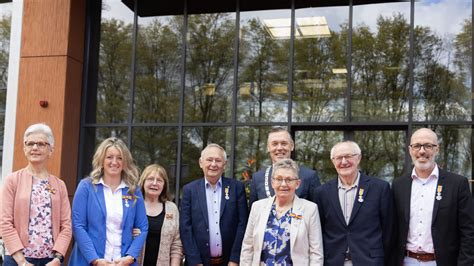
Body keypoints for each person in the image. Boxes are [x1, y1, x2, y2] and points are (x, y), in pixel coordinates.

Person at [392, 128, 474, 266]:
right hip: (406, 261)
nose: (422, 151)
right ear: (410, 150)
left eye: (428, 146)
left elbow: (468, 231)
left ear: (437, 149)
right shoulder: (398, 185)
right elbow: (392, 229)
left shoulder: (458, 184)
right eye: (417, 146)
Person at [0, 123, 72, 266]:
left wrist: (58, 258)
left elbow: (66, 226)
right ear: (24, 148)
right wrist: (22, 262)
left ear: (51, 150)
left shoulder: (59, 185)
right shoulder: (12, 180)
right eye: (30, 143)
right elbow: (5, 222)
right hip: (17, 260)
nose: (34, 148)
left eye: (41, 144)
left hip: (50, 261)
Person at [69, 137, 148, 266]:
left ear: (125, 162)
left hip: (123, 262)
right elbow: (78, 225)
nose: (114, 162)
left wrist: (130, 257)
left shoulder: (134, 190)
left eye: (120, 158)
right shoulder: (86, 187)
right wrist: (94, 259)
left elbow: (143, 227)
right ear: (101, 160)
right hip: (89, 261)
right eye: (109, 157)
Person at [315, 141, 394, 266]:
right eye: (339, 158)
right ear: (333, 161)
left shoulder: (380, 188)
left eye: (348, 156)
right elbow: (319, 232)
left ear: (359, 158)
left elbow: (389, 231)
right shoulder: (321, 193)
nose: (344, 161)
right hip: (333, 261)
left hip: (370, 262)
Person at [240, 158, 324, 265]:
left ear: (297, 183)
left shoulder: (310, 209)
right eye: (279, 179)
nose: (283, 184)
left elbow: (316, 253)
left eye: (289, 180)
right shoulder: (257, 207)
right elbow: (248, 247)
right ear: (272, 182)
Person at [180, 143, 248, 266]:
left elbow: (243, 224)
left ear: (225, 165)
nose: (213, 164)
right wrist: (195, 261)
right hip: (199, 262)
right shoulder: (189, 190)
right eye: (209, 160)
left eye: (218, 160)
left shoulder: (236, 188)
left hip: (229, 262)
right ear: (201, 163)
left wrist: (235, 259)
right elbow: (185, 228)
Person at [249, 127, 321, 206]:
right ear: (268, 148)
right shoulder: (257, 178)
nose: (279, 148)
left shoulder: (309, 177)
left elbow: (317, 212)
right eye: (274, 144)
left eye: (284, 143)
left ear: (292, 146)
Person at [135, 164, 183, 266]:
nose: (155, 183)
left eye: (159, 180)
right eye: (150, 179)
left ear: (164, 185)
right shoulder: (133, 205)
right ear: (143, 182)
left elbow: (176, 245)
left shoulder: (172, 209)